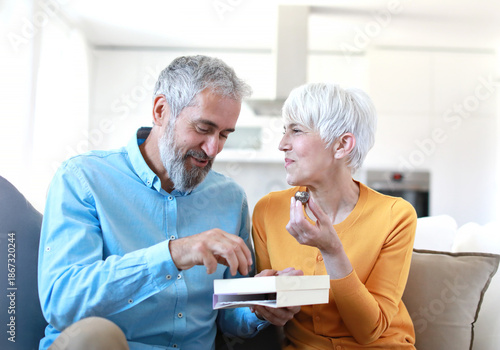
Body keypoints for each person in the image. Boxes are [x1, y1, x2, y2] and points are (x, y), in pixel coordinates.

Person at [38, 55, 299, 350]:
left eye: (224, 134)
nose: (213, 148)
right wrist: (175, 253)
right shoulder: (84, 179)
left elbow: (228, 316)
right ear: (161, 111)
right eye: (203, 128)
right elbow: (63, 302)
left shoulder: (230, 198)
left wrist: (257, 303)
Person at [252, 82, 417, 349]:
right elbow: (271, 310)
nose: (282, 144)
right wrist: (263, 302)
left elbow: (369, 331)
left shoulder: (395, 216)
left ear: (341, 145)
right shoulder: (268, 210)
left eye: (296, 131)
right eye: (285, 131)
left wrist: (331, 250)